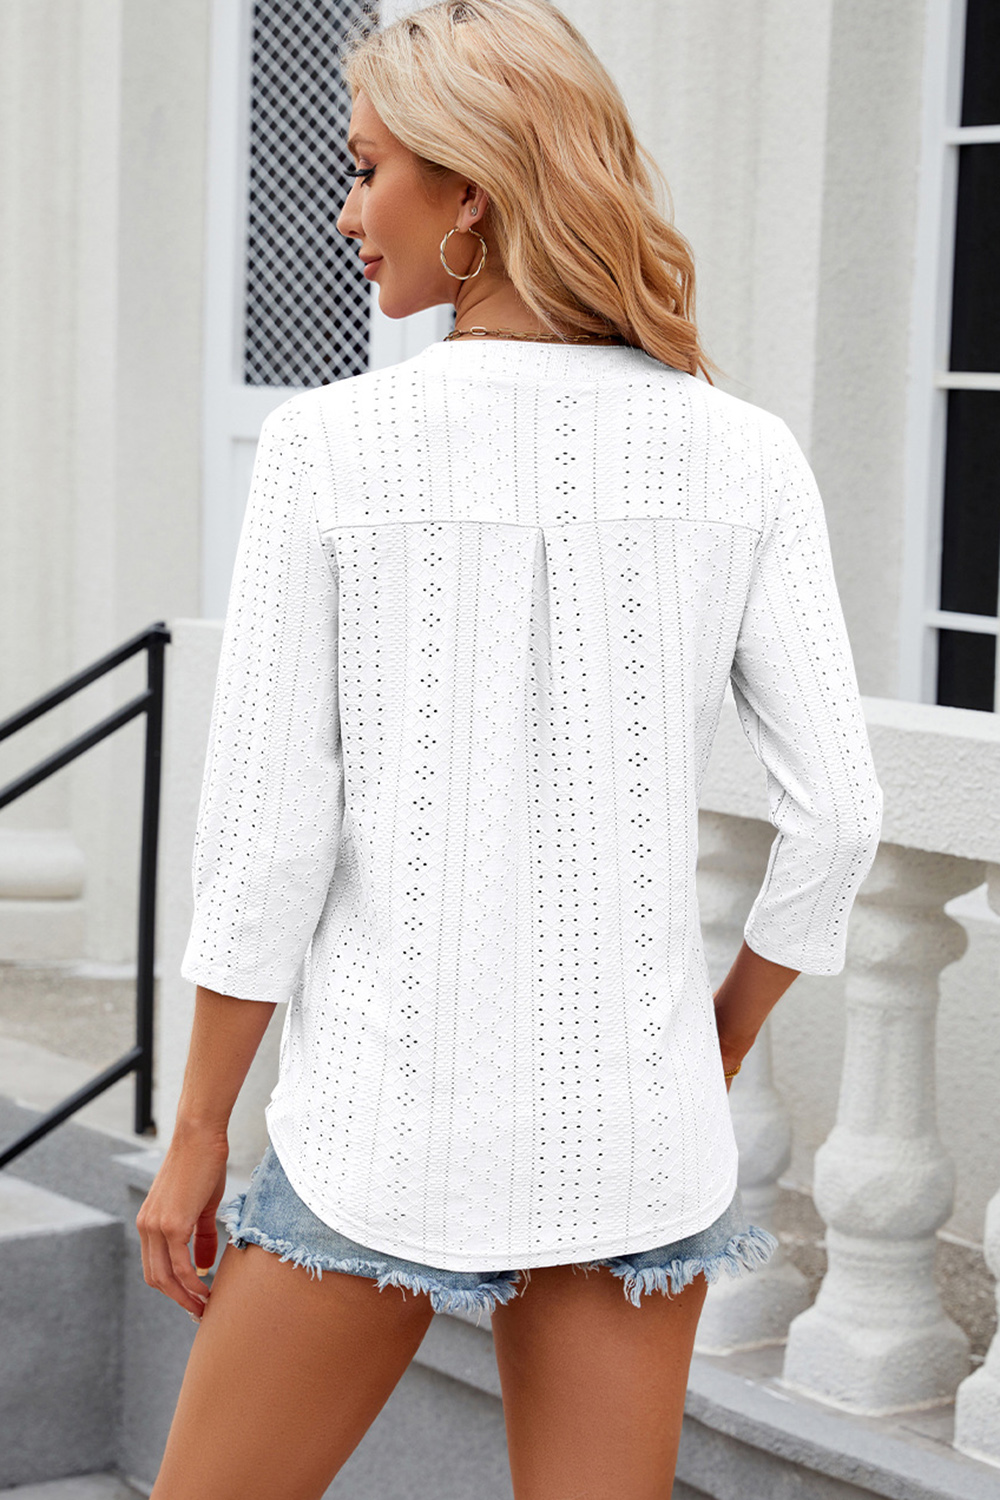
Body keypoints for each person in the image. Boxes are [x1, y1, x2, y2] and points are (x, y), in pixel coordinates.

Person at [137, 2, 883, 1496]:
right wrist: (712, 1045)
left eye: (366, 171)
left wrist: (198, 1129)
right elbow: (839, 821)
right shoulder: (743, 452)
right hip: (636, 1142)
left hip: (382, 1128)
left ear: (469, 191)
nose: (346, 213)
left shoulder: (326, 449)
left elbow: (269, 840)